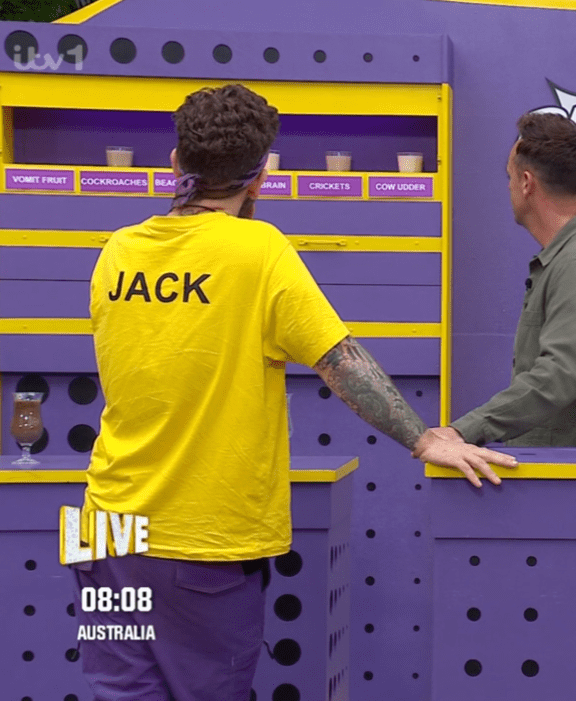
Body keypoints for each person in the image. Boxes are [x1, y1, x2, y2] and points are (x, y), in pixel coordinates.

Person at [74, 84, 517, 701]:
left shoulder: (116, 253)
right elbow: (340, 362)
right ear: (260, 178)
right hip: (203, 545)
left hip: (105, 534)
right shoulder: (259, 253)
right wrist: (423, 440)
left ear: (175, 163)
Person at [438, 112, 576, 449]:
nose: (508, 187)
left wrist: (463, 432)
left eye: (509, 177)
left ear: (526, 182)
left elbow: (557, 377)